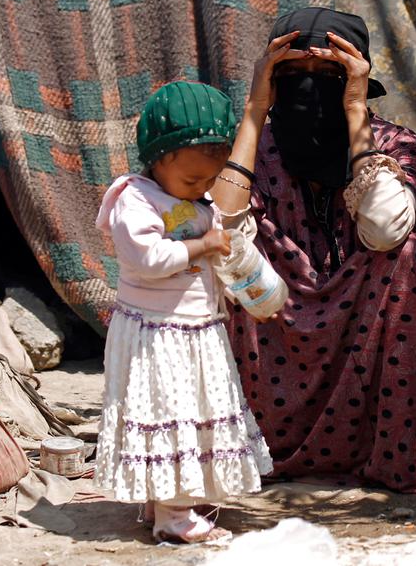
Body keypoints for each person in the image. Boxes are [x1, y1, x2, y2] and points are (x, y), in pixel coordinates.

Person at [210, 7, 416, 494]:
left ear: (356, 78)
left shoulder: (394, 144)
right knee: (229, 254)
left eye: (328, 74)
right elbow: (217, 229)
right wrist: (253, 111)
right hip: (276, 335)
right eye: (293, 75)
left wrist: (353, 112)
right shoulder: (252, 149)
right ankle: (253, 445)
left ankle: (395, 451)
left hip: (371, 345)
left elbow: (387, 231)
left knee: (415, 257)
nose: (310, 88)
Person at [94, 81, 272, 543]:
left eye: (209, 180)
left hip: (195, 328)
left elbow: (218, 257)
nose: (201, 189)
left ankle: (165, 501)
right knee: (172, 414)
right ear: (158, 158)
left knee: (187, 414)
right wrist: (203, 243)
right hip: (157, 336)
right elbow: (149, 260)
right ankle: (174, 517)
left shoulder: (197, 202)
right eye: (192, 180)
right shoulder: (134, 200)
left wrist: (244, 284)